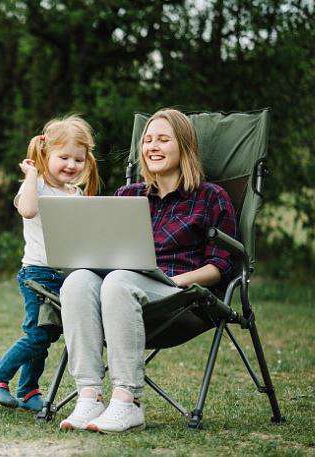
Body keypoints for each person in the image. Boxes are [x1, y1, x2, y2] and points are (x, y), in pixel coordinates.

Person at [58, 108, 237, 432]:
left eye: (163, 139)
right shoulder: (128, 196)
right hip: (120, 283)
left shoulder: (211, 198)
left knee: (118, 282)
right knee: (78, 280)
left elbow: (220, 267)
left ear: (184, 147)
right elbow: (104, 253)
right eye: (148, 139)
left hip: (178, 293)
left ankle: (128, 403)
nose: (152, 146)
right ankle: (89, 398)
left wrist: (174, 280)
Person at [0, 114, 100, 411]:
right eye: (64, 157)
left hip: (65, 274)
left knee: (47, 334)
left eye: (78, 159)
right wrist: (32, 176)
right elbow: (29, 211)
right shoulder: (37, 187)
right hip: (37, 273)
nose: (71, 165)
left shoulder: (76, 193)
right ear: (46, 154)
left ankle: (29, 391)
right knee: (37, 333)